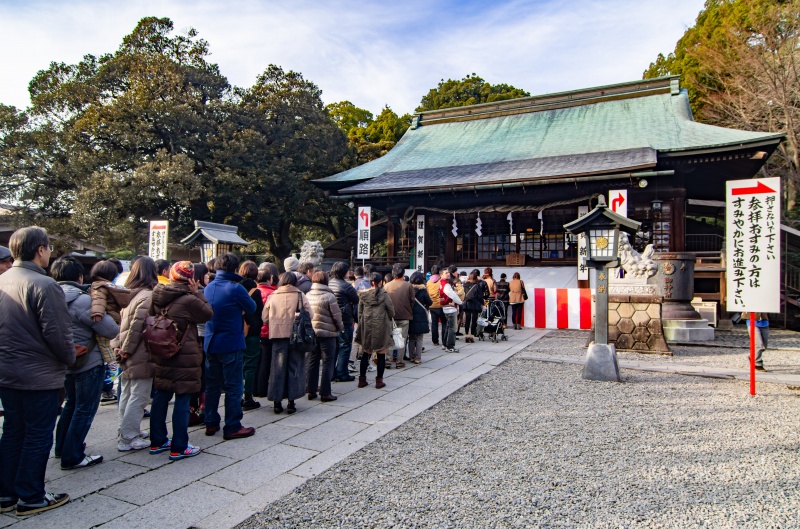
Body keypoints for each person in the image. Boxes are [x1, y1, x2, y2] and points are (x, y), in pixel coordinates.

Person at [0, 227, 72, 516]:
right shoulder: (44, 285)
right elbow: (58, 333)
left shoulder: (3, 280)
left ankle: (6, 493)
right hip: (38, 373)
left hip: (6, 371)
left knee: (13, 431)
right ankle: (31, 494)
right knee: (38, 434)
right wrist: (68, 359)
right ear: (40, 250)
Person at [51, 256, 118, 470]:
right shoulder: (83, 300)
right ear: (80, 277)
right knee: (85, 408)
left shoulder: (48, 297)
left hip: (64, 360)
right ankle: (73, 454)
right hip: (88, 361)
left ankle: (61, 447)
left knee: (70, 403)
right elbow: (110, 329)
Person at [149, 262, 213, 460]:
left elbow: (152, 315)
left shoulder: (157, 294)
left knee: (161, 396)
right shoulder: (188, 300)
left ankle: (157, 440)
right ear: (191, 279)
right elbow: (208, 314)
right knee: (182, 398)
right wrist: (197, 293)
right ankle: (179, 446)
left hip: (162, 349)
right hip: (183, 353)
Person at [203, 253, 257, 440]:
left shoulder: (209, 287)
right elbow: (252, 308)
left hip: (211, 341)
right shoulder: (236, 289)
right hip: (231, 342)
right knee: (233, 385)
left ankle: (210, 421)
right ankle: (232, 425)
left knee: (212, 385)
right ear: (235, 269)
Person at [111, 257, 158, 451]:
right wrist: (127, 350)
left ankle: (126, 430)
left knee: (128, 393)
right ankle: (128, 437)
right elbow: (136, 328)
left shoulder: (129, 294)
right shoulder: (147, 296)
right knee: (139, 395)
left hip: (127, 350)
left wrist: (118, 348)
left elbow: (119, 325)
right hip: (139, 352)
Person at [263, 272, 314, 413]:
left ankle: (276, 402)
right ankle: (291, 401)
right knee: (295, 366)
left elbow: (265, 317)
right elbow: (310, 315)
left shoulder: (273, 296)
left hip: (277, 336)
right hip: (296, 336)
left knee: (277, 368)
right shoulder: (300, 295)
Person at [89, 260, 131, 406]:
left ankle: (111, 372)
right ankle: (111, 374)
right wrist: (98, 312)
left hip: (107, 319)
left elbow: (97, 301)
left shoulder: (98, 286)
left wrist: (97, 313)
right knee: (111, 352)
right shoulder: (110, 286)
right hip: (114, 318)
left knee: (107, 352)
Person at [305, 272, 344, 401]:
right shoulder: (329, 296)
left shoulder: (308, 294)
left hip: (312, 332)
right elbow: (337, 315)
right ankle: (325, 392)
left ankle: (311, 389)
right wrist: (341, 328)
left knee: (313, 360)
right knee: (328, 362)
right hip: (328, 333)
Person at [354, 273, 395, 388]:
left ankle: (362, 380)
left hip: (367, 326)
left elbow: (360, 313)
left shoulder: (363, 295)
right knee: (381, 353)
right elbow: (392, 312)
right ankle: (379, 381)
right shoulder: (384, 295)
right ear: (380, 282)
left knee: (366, 353)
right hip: (381, 326)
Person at [238, 261, 264, 410]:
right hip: (252, 332)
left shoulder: (235, 288)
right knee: (250, 365)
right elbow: (258, 312)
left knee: (239, 364)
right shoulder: (256, 291)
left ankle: (238, 394)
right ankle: (248, 396)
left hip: (237, 331)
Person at [188, 262, 211, 426]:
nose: (209, 277)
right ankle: (202, 406)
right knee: (203, 373)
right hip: (203, 337)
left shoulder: (183, 294)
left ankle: (191, 409)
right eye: (207, 275)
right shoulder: (203, 294)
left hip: (189, 339)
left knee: (193, 374)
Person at [328, 262, 358, 382]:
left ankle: (331, 373)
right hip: (344, 318)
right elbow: (356, 299)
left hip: (330, 319)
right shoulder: (346, 286)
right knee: (345, 346)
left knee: (333, 348)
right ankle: (342, 372)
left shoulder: (328, 283)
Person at [253, 263, 279, 398]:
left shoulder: (253, 292)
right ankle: (262, 388)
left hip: (256, 331)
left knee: (256, 361)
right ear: (270, 279)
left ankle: (254, 387)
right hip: (268, 331)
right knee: (266, 361)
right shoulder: (273, 294)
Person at [384, 263, 415, 369]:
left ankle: (387, 360)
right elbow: (412, 301)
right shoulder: (408, 285)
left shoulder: (386, 286)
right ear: (403, 274)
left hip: (390, 316)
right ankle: (399, 361)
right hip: (405, 315)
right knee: (402, 339)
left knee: (389, 338)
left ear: (393, 274)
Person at [408, 272, 432, 364]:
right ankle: (417, 358)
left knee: (411, 337)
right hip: (421, 315)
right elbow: (429, 302)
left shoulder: (409, 290)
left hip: (411, 314)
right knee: (419, 338)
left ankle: (411, 356)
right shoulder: (423, 291)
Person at [439, 270, 463, 353]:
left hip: (444, 306)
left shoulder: (441, 283)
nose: (448, 274)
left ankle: (445, 344)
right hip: (450, 307)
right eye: (446, 273)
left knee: (448, 326)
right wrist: (460, 302)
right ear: (441, 275)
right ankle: (450, 346)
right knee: (452, 327)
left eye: (448, 273)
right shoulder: (446, 284)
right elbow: (452, 294)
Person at [463, 270, 486, 343]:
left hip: (467, 303)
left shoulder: (465, 285)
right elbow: (480, 296)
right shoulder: (477, 285)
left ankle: (466, 335)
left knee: (467, 320)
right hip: (474, 304)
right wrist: (482, 303)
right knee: (474, 320)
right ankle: (472, 336)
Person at [426, 265, 445, 346]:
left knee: (434, 323)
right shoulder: (441, 281)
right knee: (444, 323)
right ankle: (444, 340)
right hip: (440, 305)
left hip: (432, 305)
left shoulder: (428, 282)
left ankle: (435, 341)